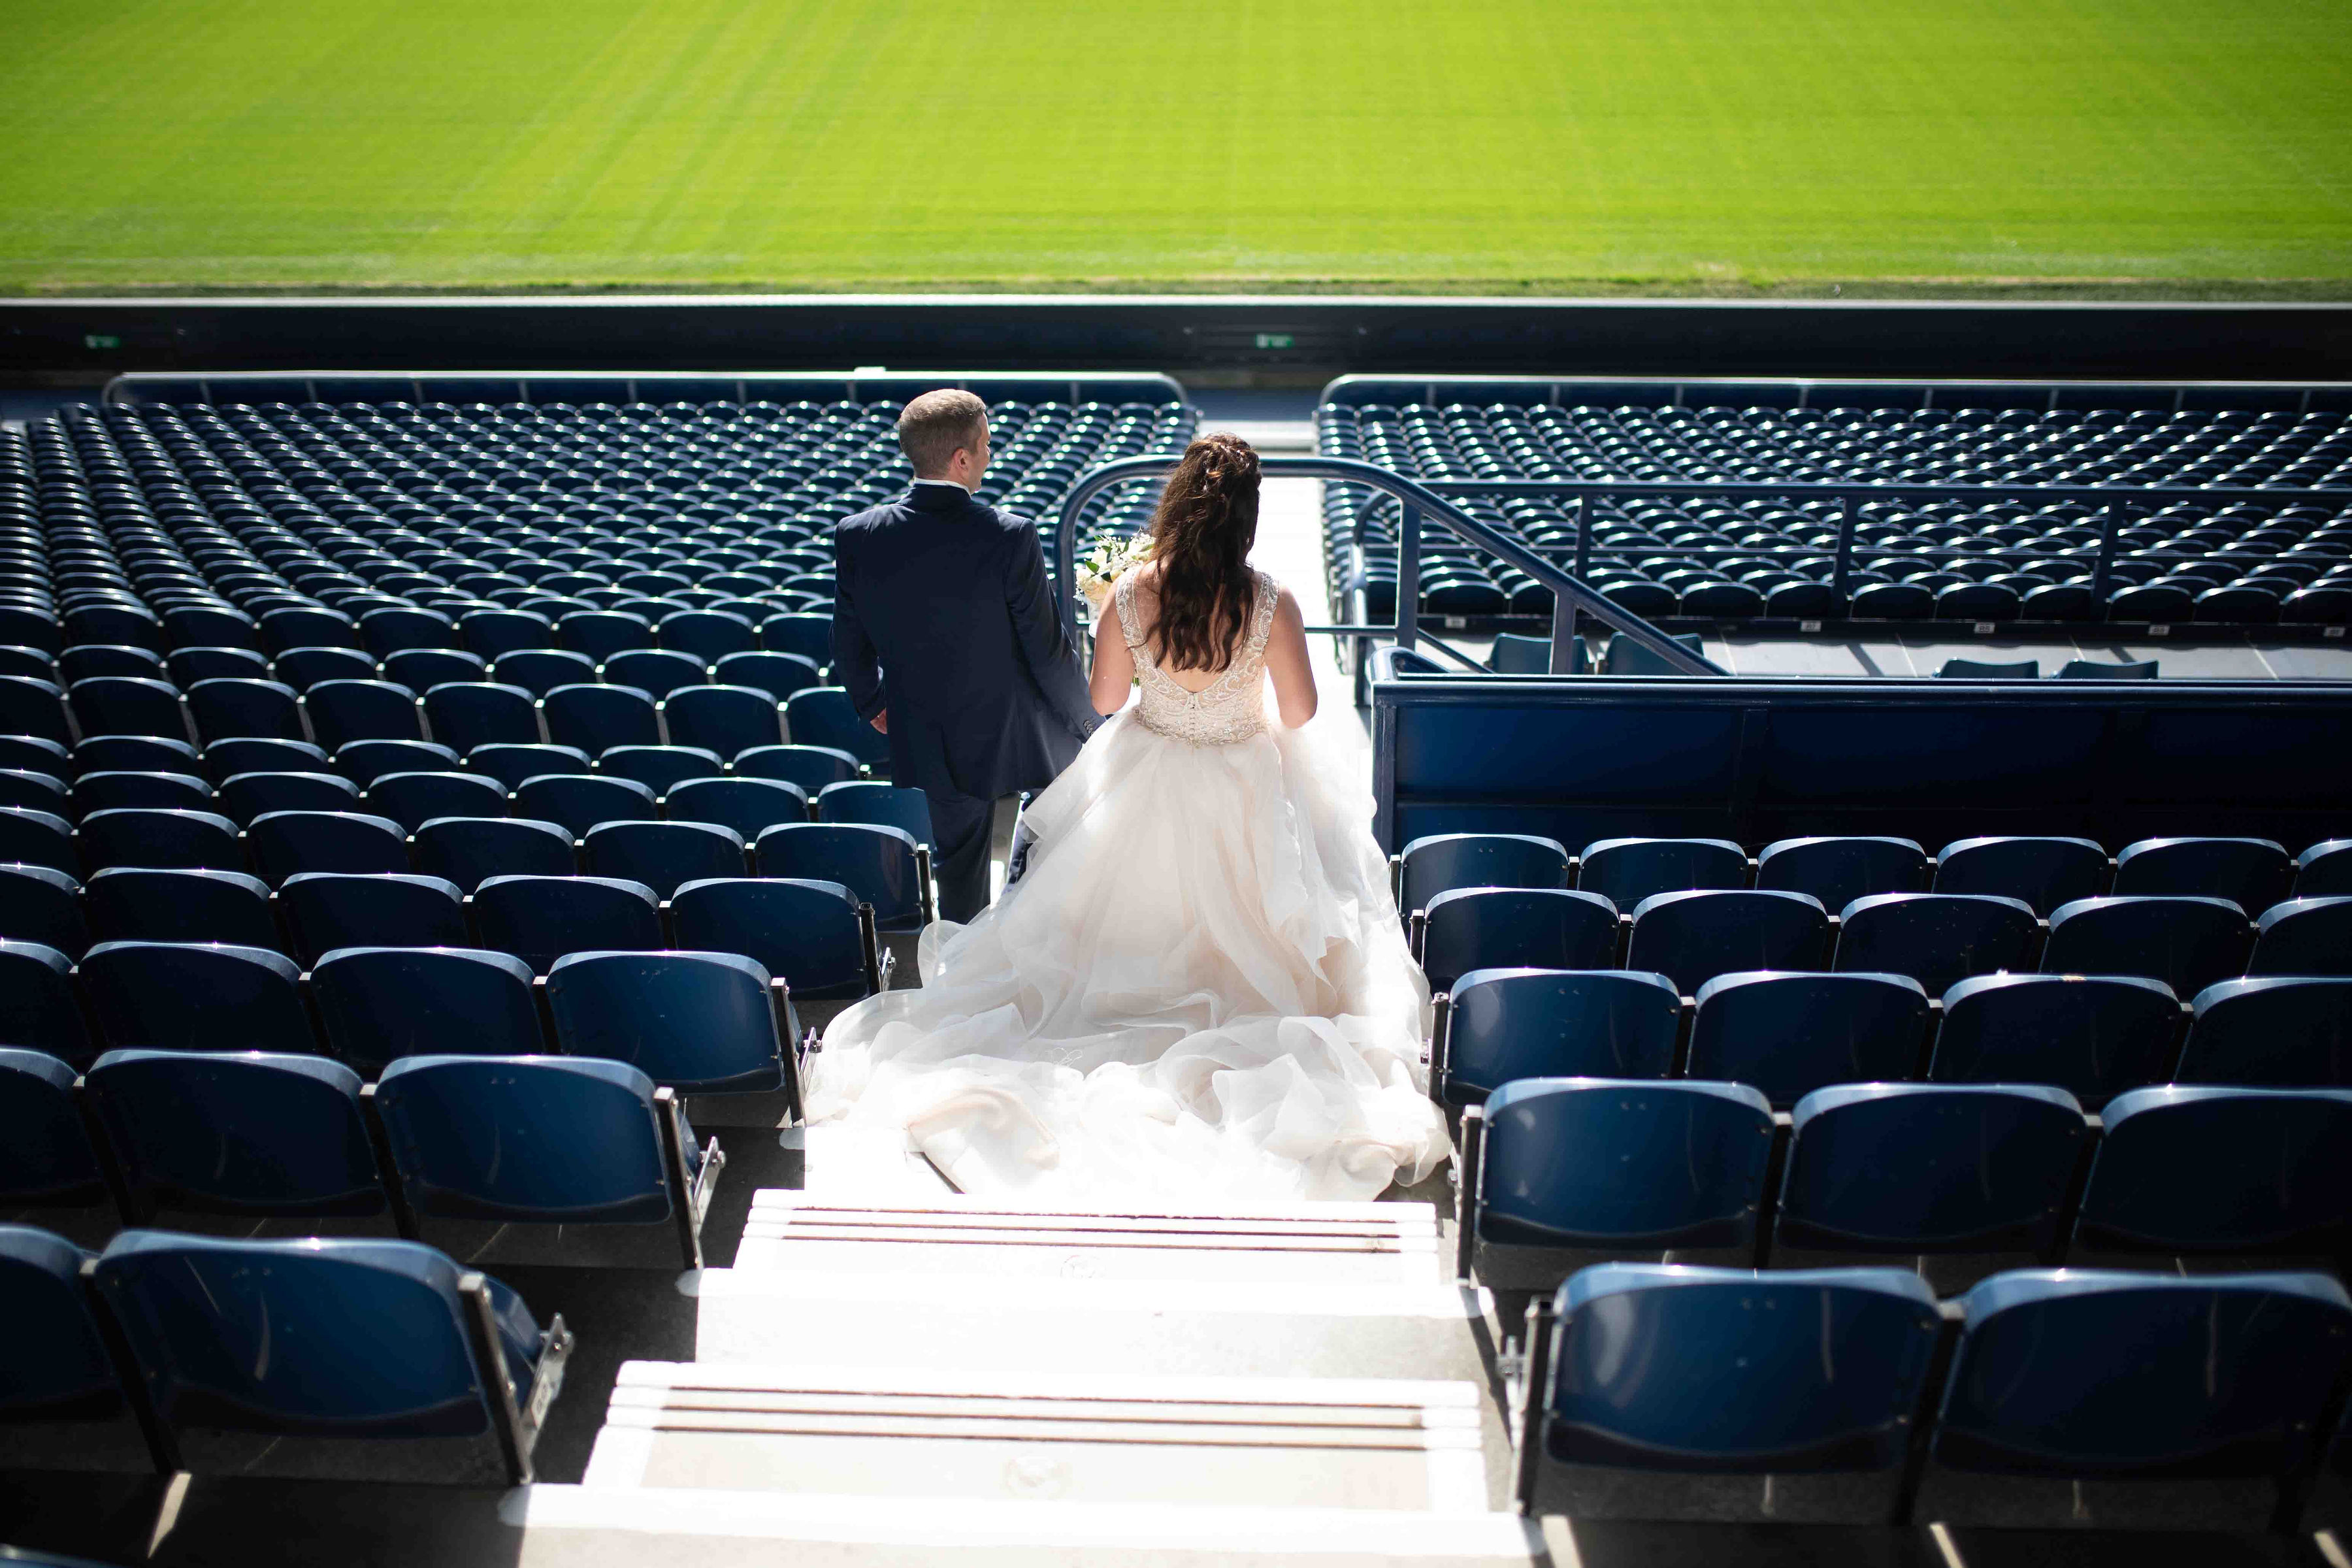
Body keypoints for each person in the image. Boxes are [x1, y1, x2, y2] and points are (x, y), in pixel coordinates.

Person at [806, 432, 1449, 1203]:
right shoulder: (1271, 601)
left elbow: (1106, 701)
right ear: (1247, 517)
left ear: (1176, 504)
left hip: (1149, 771)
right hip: (1246, 769)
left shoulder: (1132, 592)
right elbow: (1303, 710)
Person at [830, 389, 1100, 923]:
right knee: (1058, 835)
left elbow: (847, 640)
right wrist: (1089, 721)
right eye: (987, 445)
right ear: (962, 459)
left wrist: (873, 705)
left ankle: (964, 977)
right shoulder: (1010, 535)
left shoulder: (858, 535)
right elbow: (1046, 653)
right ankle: (1032, 944)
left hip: (931, 733)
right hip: (1019, 730)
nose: (990, 455)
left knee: (959, 872)